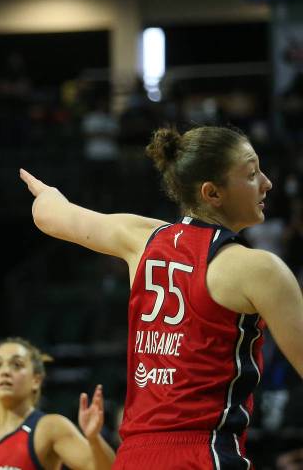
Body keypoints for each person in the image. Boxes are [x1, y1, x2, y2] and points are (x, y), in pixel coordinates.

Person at [20, 124, 303, 468]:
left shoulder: (140, 237)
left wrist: (48, 195)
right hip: (203, 453)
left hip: (133, 457)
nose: (267, 182)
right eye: (252, 173)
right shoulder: (257, 269)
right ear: (212, 193)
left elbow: (50, 216)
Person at [0, 338, 114, 470]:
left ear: (36, 380)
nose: (5, 371)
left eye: (16, 365)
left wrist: (94, 439)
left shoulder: (50, 428)